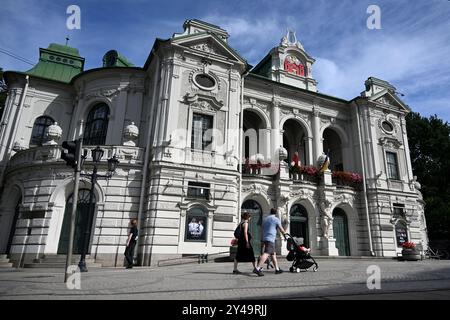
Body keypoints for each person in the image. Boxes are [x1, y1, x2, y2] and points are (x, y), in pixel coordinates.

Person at [254, 208, 287, 276]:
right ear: (276, 213)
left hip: (264, 237)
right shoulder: (276, 219)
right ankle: (257, 268)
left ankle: (277, 269)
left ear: (270, 212)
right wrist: (285, 235)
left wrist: (262, 239)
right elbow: (281, 229)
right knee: (267, 253)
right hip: (270, 238)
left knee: (273, 254)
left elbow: (262, 228)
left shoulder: (265, 219)